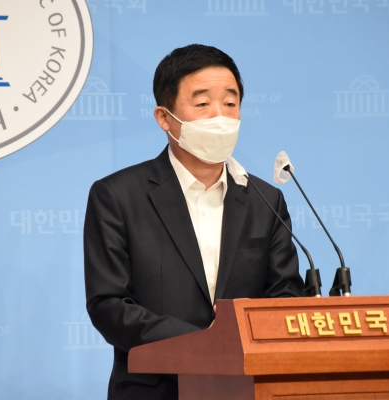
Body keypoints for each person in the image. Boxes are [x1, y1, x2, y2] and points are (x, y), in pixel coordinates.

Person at [84, 44, 304, 400]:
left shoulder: (265, 200)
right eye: (202, 104)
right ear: (164, 117)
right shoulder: (118, 196)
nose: (220, 116)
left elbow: (285, 296)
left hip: (248, 389)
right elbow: (108, 305)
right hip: (155, 389)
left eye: (230, 103)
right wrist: (206, 343)